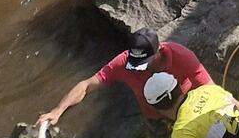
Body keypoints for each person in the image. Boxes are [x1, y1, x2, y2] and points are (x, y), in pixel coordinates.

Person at [41, 27, 210, 130]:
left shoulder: (182, 57)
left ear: (158, 51)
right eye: (135, 62)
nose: (137, 68)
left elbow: (210, 89)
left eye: (143, 63)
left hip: (186, 109)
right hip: (154, 117)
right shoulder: (124, 62)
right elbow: (87, 85)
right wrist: (58, 110)